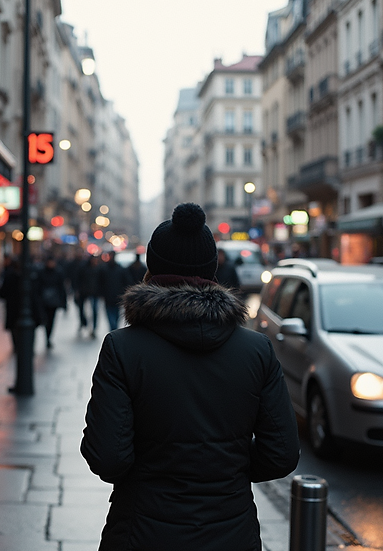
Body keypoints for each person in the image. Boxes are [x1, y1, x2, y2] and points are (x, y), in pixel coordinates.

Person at [81, 203, 300, 550]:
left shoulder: (122, 348)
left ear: (152, 269)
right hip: (231, 532)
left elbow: (108, 456)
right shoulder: (257, 350)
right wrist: (229, 470)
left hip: (142, 531)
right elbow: (283, 453)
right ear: (213, 270)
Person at [98, 251, 134, 331]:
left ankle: (113, 327)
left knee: (114, 314)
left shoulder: (118, 269)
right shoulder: (106, 269)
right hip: (111, 295)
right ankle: (113, 327)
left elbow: (127, 282)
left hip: (115, 295)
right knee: (112, 314)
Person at [38, 255, 68, 348]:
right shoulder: (42, 272)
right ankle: (47, 336)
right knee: (46, 319)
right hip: (44, 301)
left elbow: (61, 287)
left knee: (51, 320)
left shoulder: (58, 272)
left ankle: (48, 337)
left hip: (53, 301)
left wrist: (63, 302)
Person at [77, 255, 103, 338]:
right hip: (84, 292)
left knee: (94, 310)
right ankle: (84, 322)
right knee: (82, 309)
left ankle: (94, 328)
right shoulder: (84, 268)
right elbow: (79, 279)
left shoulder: (99, 269)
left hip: (94, 293)